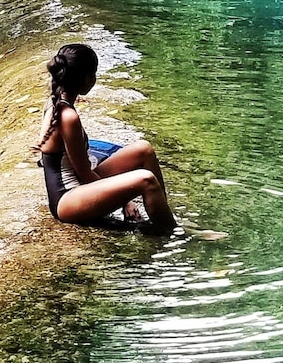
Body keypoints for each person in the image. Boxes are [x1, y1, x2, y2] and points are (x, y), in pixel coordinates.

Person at [35, 43, 177, 232]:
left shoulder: (56, 101)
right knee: (146, 180)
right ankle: (171, 233)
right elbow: (84, 174)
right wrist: (125, 201)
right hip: (67, 199)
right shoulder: (68, 116)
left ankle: (162, 211)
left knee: (144, 150)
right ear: (86, 78)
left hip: (79, 186)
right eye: (94, 74)